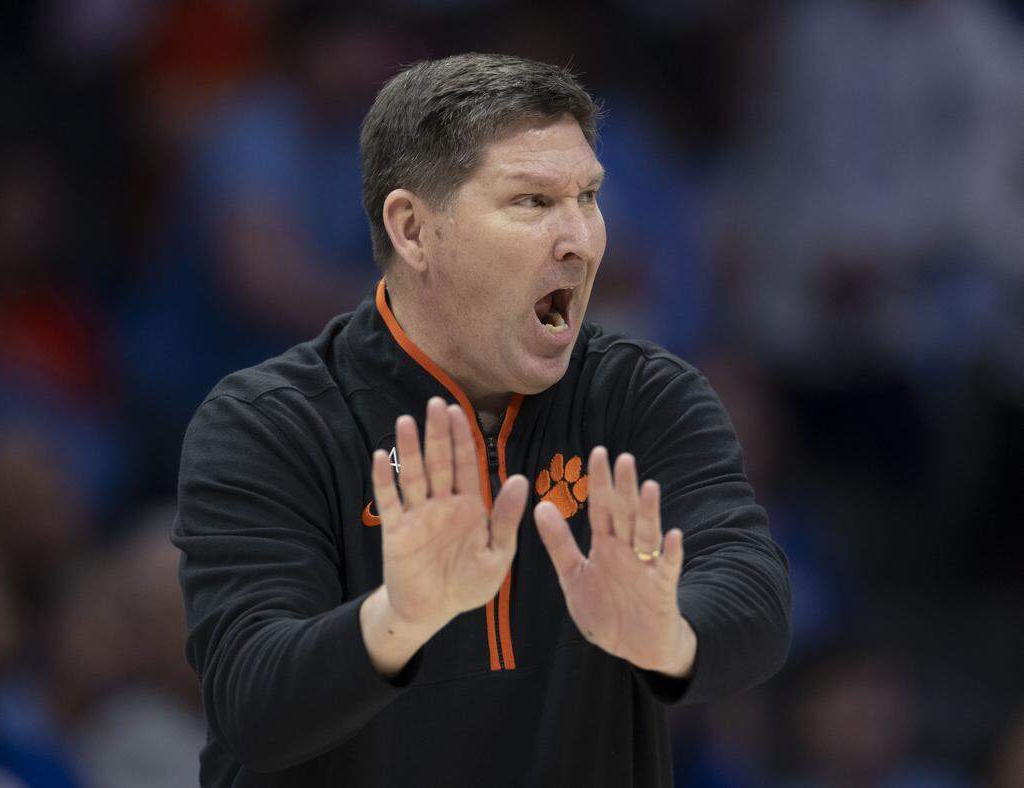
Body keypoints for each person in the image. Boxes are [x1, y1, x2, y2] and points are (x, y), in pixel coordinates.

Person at [173, 53, 792, 787]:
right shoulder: (269, 424)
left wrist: (668, 636)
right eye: (532, 202)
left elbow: (753, 593)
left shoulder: (645, 397)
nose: (582, 239)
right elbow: (251, 706)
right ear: (413, 230)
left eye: (588, 197)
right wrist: (401, 616)